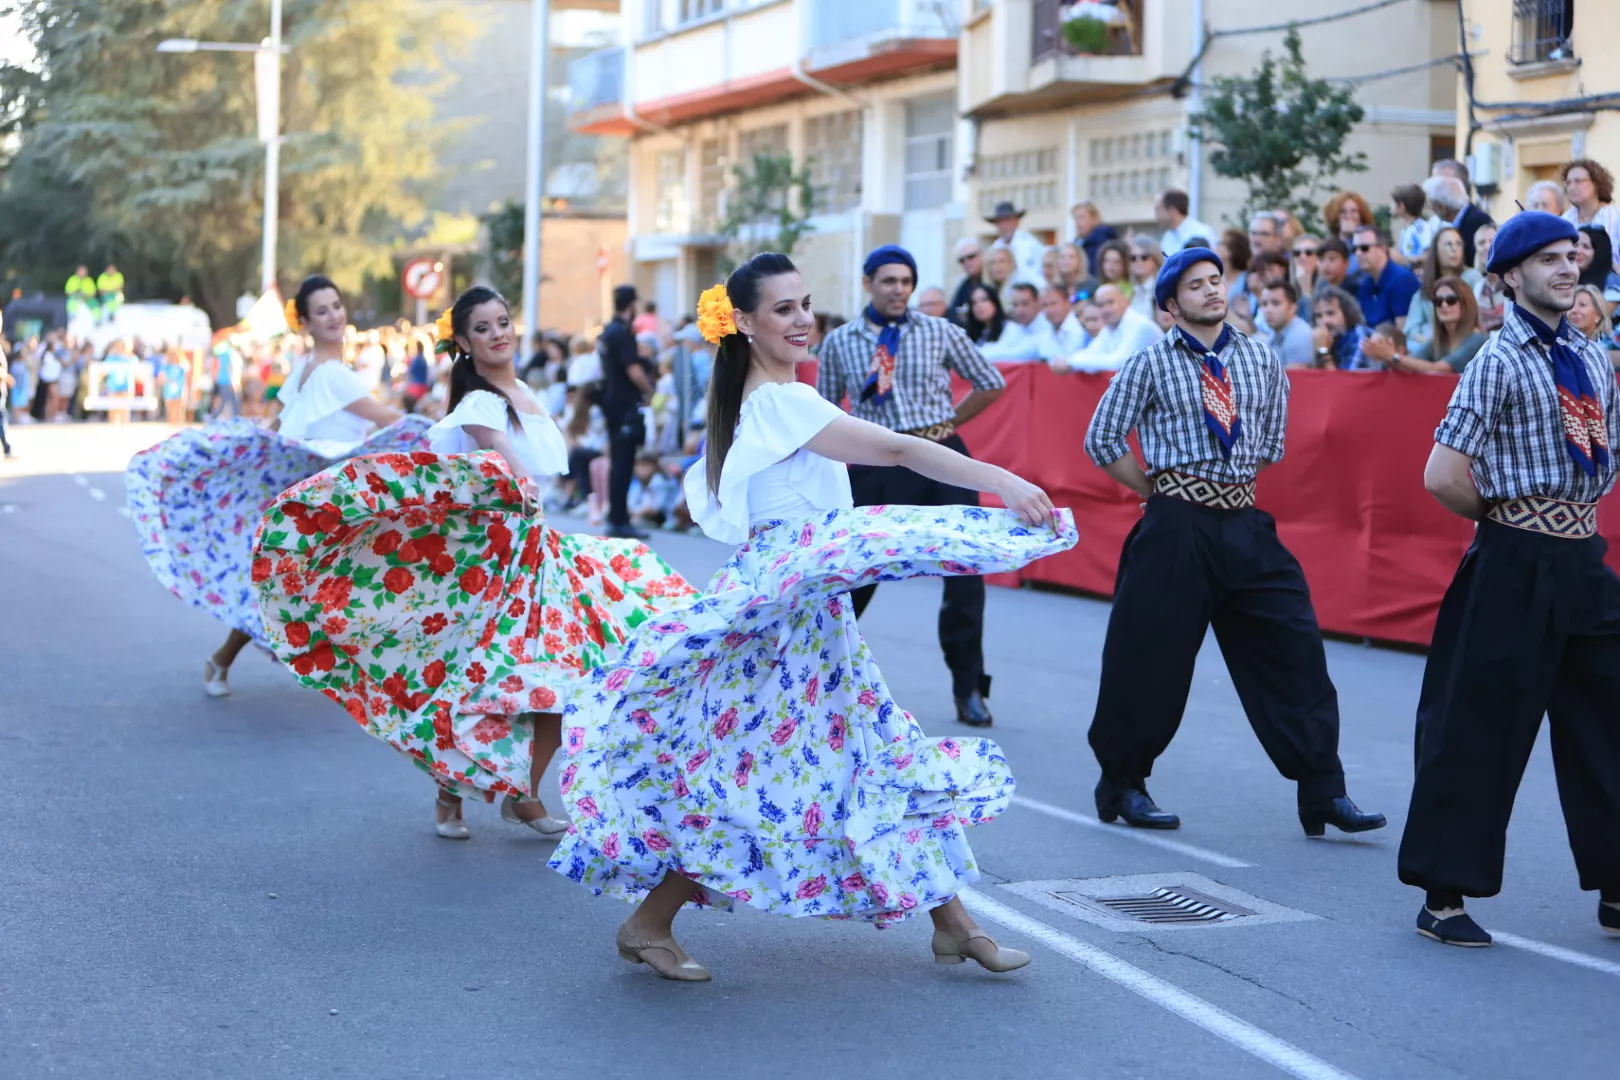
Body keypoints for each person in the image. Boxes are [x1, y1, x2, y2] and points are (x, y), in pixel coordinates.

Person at [546, 251, 1075, 981]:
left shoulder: (758, 400)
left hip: (810, 612)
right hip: (785, 619)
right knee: (760, 771)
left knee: (871, 754)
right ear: (744, 323)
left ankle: (953, 923)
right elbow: (892, 448)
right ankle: (648, 921)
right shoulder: (778, 404)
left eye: (805, 304)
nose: (802, 320)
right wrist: (1000, 480)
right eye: (784, 309)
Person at [253, 284, 695, 842]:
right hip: (495, 564)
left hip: (536, 554)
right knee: (496, 686)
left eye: (503, 322)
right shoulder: (481, 404)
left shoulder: (522, 391)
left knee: (555, 686)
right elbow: (507, 473)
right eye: (482, 328)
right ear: (462, 341)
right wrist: (527, 494)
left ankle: (515, 796)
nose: (498, 334)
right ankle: (486, 795)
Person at [1082, 248, 1387, 836]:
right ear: (1171, 305)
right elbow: (1101, 439)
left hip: (1245, 520)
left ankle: (1322, 788)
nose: (1211, 291)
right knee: (1149, 658)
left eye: (1216, 280)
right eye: (1195, 286)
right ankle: (1123, 781)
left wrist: (1226, 488)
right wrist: (1157, 491)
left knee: (1294, 649)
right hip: (1174, 524)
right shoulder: (1148, 363)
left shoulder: (1261, 359)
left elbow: (1271, 442)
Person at [1398, 211, 1620, 948]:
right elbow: (1442, 474)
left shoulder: (1592, 356)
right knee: (1478, 727)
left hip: (1585, 562)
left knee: (1609, 725)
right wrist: (1507, 517)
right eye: (1549, 259)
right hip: (1513, 560)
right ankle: (1444, 895)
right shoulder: (1495, 359)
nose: (1567, 269)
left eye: (1572, 257)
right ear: (1511, 275)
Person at [125, 275, 431, 701]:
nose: (334, 316)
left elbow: (278, 423)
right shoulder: (329, 375)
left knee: (320, 585)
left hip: (327, 494)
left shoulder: (314, 368)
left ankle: (239, 661)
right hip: (320, 497)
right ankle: (368, 676)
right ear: (304, 321)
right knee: (316, 585)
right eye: (321, 311)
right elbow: (389, 422)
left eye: (336, 306)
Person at [816, 244, 1010, 728]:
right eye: (889, 281)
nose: (899, 289)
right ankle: (818, 680)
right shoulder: (841, 340)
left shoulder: (940, 331)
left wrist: (948, 422)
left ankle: (969, 689)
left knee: (965, 578)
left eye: (906, 281)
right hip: (877, 461)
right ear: (868, 284)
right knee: (853, 576)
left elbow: (990, 381)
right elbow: (822, 408)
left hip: (940, 457)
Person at [599, 284, 655, 540]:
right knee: (623, 462)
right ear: (632, 305)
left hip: (612, 402)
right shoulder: (622, 333)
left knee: (618, 463)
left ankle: (616, 516)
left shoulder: (608, 331)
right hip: (624, 404)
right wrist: (648, 390)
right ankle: (620, 519)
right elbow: (632, 368)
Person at [1366, 276, 1486, 375]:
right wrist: (1385, 356)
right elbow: (1412, 367)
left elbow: (1442, 369)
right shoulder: (1438, 340)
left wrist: (1393, 356)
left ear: (1466, 304)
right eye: (1438, 301)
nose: (1444, 305)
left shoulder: (1477, 338)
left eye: (1451, 300)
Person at [1057, 283, 1161, 374]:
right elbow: (1092, 351)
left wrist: (1071, 363)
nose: (1106, 309)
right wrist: (1070, 361)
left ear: (1125, 301)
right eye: (1101, 305)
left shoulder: (1140, 325)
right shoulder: (1110, 327)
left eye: (1110, 302)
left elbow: (1119, 363)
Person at [1352, 225, 1421, 331]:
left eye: (1364, 248)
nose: (1358, 253)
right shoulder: (1365, 284)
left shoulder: (1402, 281)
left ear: (1383, 249)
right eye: (1354, 249)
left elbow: (1404, 335)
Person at [1424, 175, 1494, 267]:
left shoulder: (1477, 222)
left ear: (1442, 207)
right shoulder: (1468, 218)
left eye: (1432, 205)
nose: (1432, 210)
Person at [1561, 158, 1620, 254]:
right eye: (1568, 183)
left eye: (1578, 181)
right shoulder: (1565, 220)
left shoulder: (1616, 217)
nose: (1571, 187)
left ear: (1596, 183)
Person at [980, 282, 1046, 362]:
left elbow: (1020, 355)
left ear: (1038, 303)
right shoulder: (1015, 328)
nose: (1019, 310)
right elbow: (1000, 347)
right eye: (1015, 305)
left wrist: (979, 356)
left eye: (1025, 304)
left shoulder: (1047, 326)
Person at [1311, 287, 1372, 371]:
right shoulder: (1320, 339)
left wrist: (1323, 352)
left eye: (1330, 313)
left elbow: (1346, 382)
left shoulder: (1360, 336)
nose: (1324, 321)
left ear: (1346, 313)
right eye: (1318, 316)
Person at [1256, 281, 1315, 367]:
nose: (1268, 310)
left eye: (1276, 303)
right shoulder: (1275, 332)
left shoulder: (1300, 335)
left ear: (1292, 308)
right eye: (1264, 304)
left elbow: (1294, 378)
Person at [986, 201, 1045, 286]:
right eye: (999, 222)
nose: (1003, 226)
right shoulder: (995, 248)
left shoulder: (1030, 245)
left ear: (1016, 222)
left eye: (1007, 220)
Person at [1154, 188, 1214, 256]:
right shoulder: (1167, 237)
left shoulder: (1201, 233)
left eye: (1158, 209)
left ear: (1172, 210)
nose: (1156, 215)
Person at [1034, 284, 1087, 360]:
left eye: (1054, 303)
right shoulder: (1043, 332)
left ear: (1067, 302)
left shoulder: (1083, 329)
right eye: (1044, 305)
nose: (1049, 310)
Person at [1574, 224, 1620, 309]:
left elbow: (1601, 318)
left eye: (1586, 247)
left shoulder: (1612, 283)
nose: (1578, 251)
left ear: (1599, 251)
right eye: (1575, 245)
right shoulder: (1569, 278)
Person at [1391, 183, 1434, 266]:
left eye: (1393, 202)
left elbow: (1428, 255)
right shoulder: (1406, 229)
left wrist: (1404, 260)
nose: (1391, 206)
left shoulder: (1421, 228)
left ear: (1402, 206)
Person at [1073, 199, 1120, 273]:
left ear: (1094, 218)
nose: (1078, 223)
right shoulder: (1081, 243)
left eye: (1082, 217)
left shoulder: (1102, 240)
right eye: (1076, 219)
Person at [948, 237, 985, 327]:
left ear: (982, 255)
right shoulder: (963, 286)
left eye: (971, 257)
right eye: (962, 260)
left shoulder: (992, 279)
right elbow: (953, 315)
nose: (967, 262)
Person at [1126, 238, 1164, 321]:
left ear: (1154, 260)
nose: (1138, 261)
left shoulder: (1162, 289)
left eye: (1144, 257)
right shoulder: (1130, 292)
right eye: (1133, 258)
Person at [159, 347, 188, 425]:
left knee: (178, 410)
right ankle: (171, 426)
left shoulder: (181, 368)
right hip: (168, 391)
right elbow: (161, 378)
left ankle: (179, 426)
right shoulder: (166, 367)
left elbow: (183, 380)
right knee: (170, 411)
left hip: (179, 391)